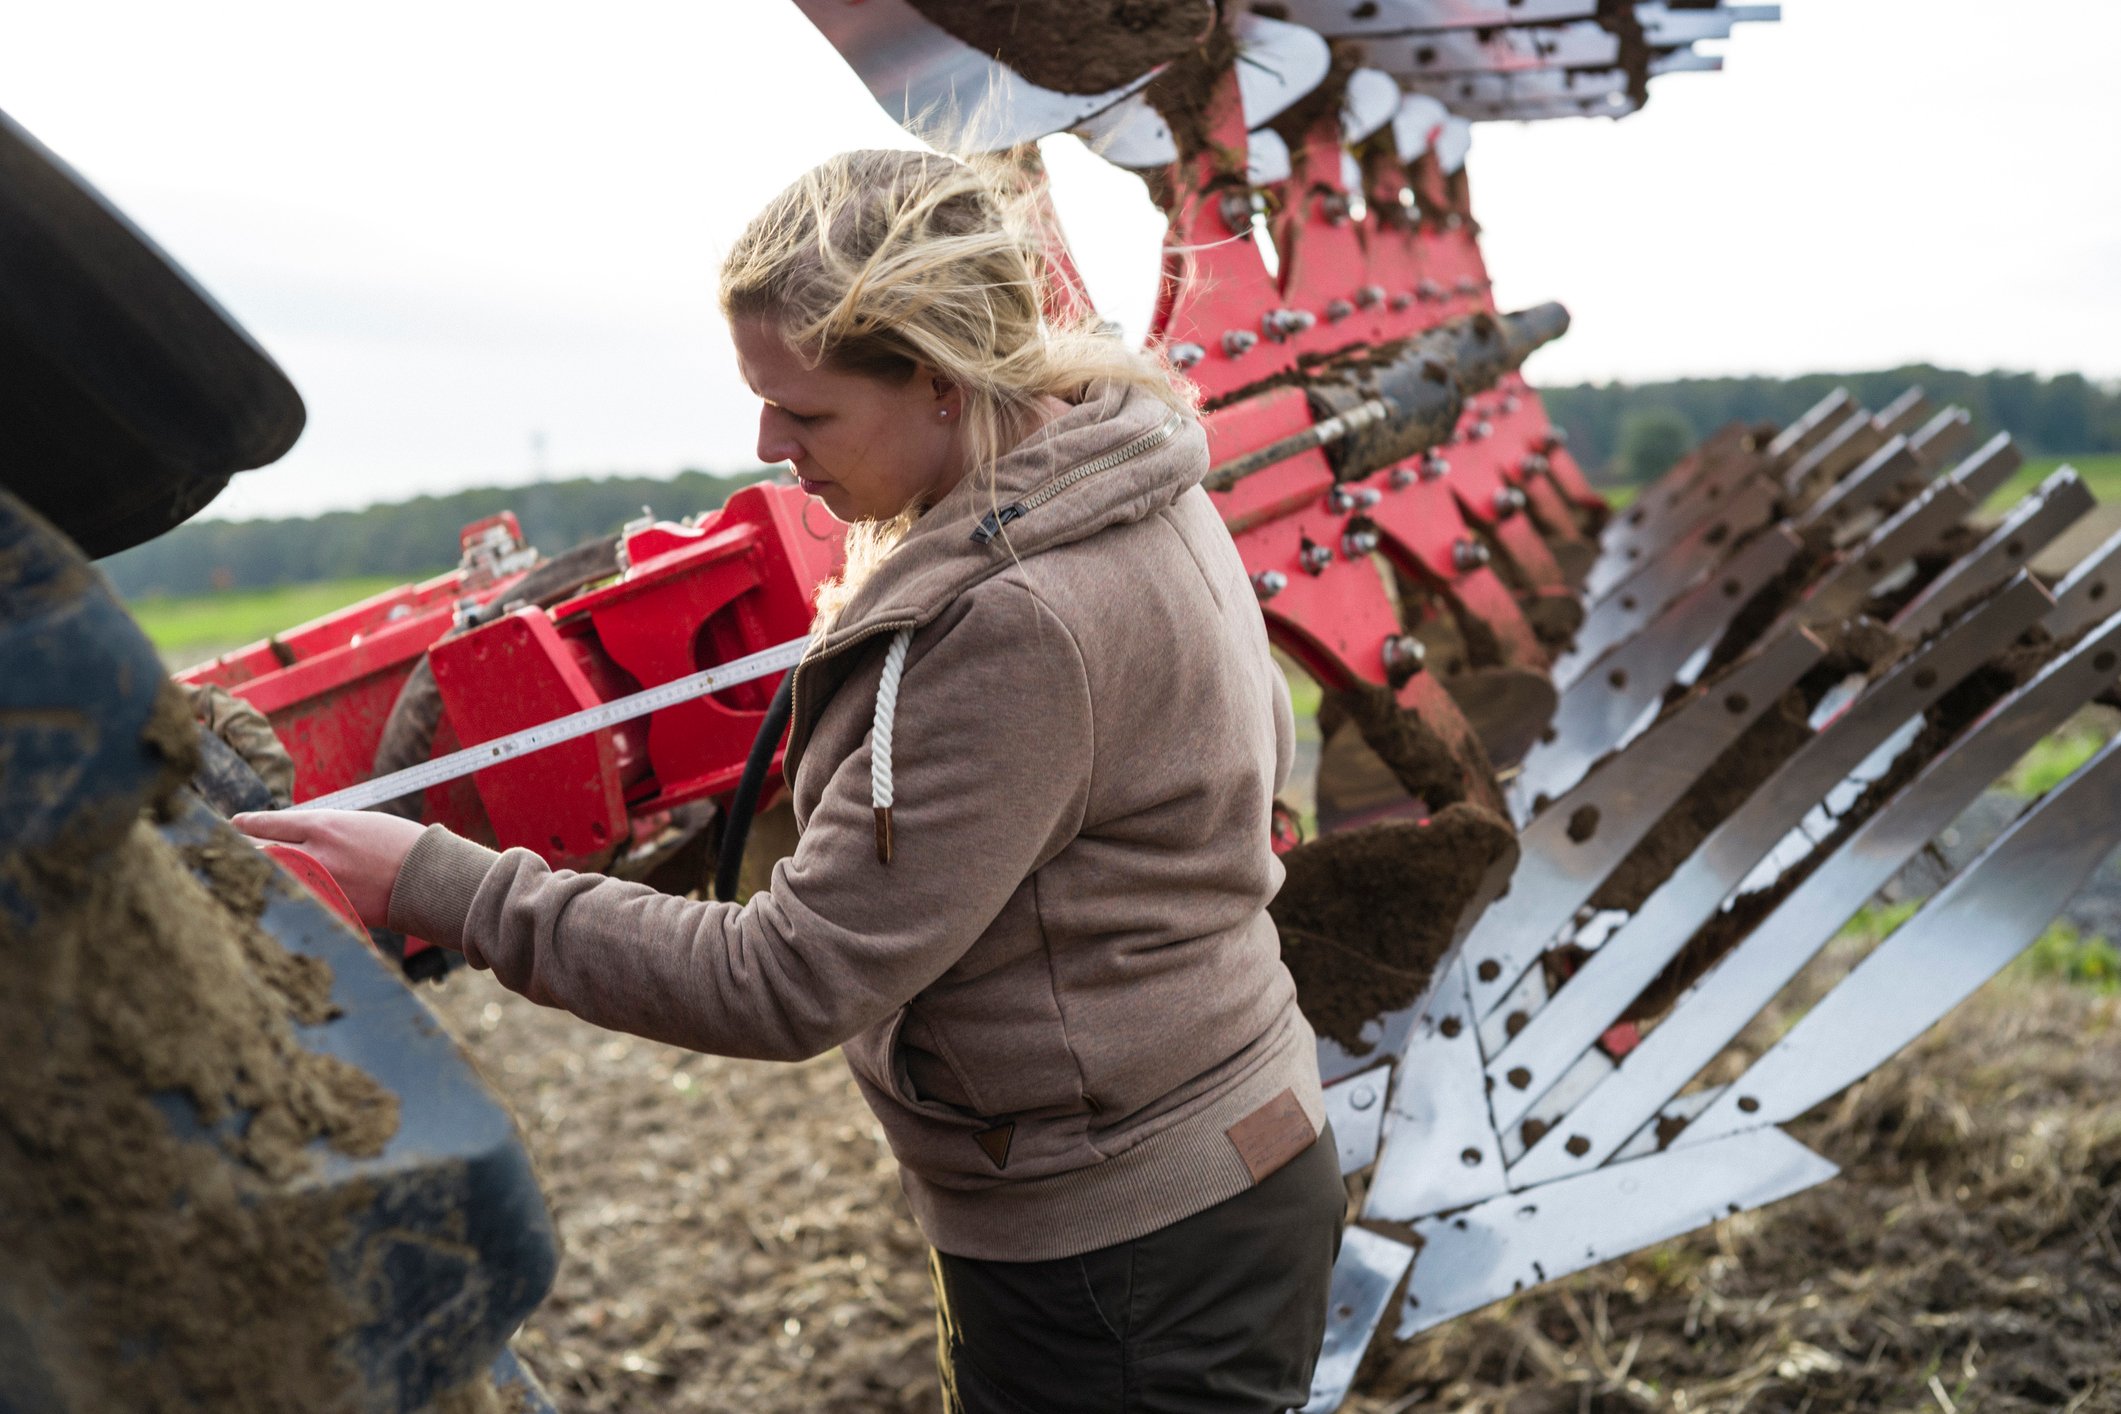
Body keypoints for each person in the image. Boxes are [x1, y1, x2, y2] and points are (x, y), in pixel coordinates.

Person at [236, 148, 1343, 1412]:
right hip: (1201, 1169)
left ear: (937, 379)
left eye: (805, 414)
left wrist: (439, 882)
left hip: (1126, 1255)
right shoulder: (1122, 475)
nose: (770, 447)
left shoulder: (1019, 620)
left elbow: (789, 978)